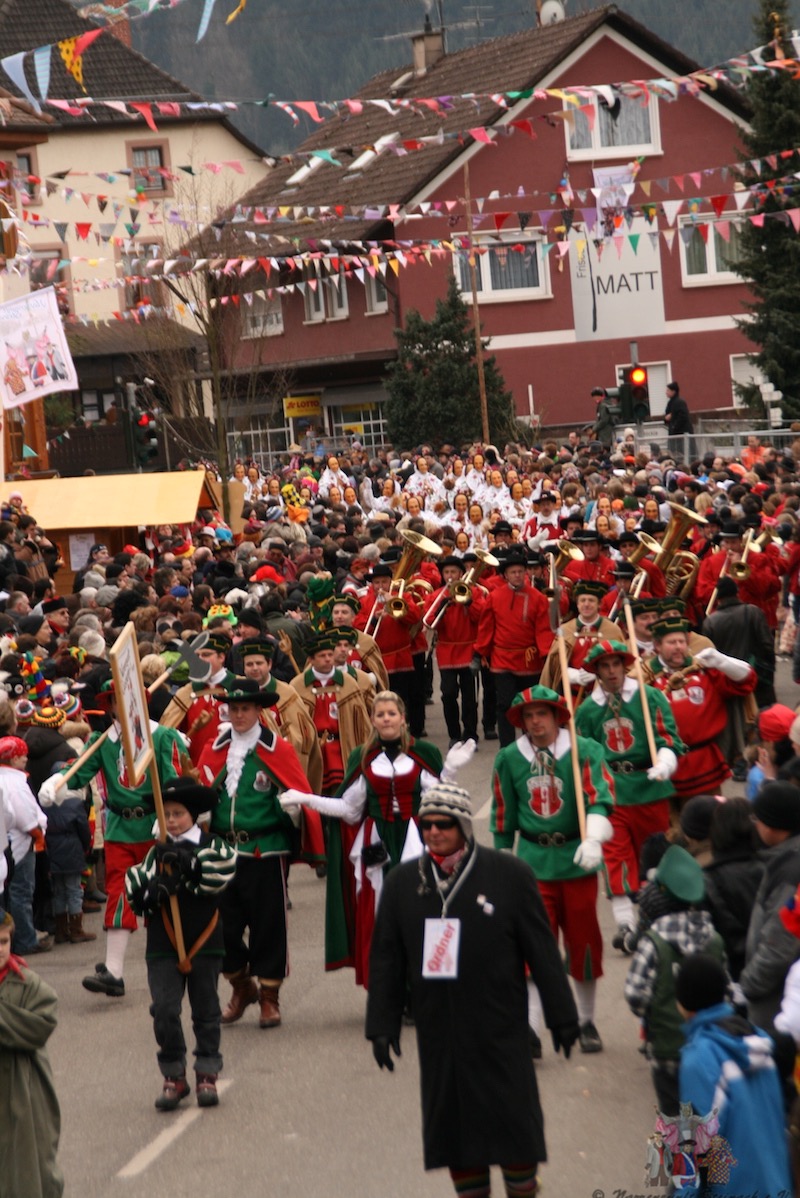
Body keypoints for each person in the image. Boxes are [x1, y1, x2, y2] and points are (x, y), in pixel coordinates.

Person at [365, 782, 579, 1198]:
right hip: (441, 1034)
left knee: (514, 1133)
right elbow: (387, 959)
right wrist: (382, 1025)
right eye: (427, 824)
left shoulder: (509, 875)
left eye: (443, 824)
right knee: (457, 1138)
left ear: (464, 825)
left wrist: (563, 1016)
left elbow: (542, 951)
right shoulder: (403, 883)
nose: (433, 832)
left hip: (500, 1030)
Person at [281, 691, 474, 987]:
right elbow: (349, 810)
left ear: (403, 718)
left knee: (423, 908)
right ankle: (389, 983)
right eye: (380, 714)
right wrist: (308, 799)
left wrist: (449, 770)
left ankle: (424, 982)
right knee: (381, 913)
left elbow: (438, 799)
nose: (386, 719)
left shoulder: (422, 752)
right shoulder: (363, 757)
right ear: (372, 720)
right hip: (377, 843)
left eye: (391, 713)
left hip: (416, 840)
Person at [38, 681, 184, 998]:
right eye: (116, 700)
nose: (123, 704)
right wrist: (57, 782)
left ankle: (178, 961)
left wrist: (171, 817)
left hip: (156, 827)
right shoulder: (102, 742)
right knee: (119, 895)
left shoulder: (162, 736)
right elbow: (78, 771)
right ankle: (114, 972)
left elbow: (177, 781)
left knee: (166, 894)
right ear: (110, 705)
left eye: (129, 697)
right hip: (120, 829)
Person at [491, 687, 614, 1055]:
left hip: (577, 862)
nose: (535, 722)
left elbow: (600, 799)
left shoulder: (584, 750)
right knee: (532, 946)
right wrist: (501, 864)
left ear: (557, 716)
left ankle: (586, 1021)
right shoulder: (509, 758)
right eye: (528, 716)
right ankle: (530, 1029)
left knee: (584, 943)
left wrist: (593, 838)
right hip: (532, 866)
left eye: (542, 714)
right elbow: (503, 816)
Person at [196, 677, 322, 1030]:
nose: (238, 715)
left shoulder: (277, 749)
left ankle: (269, 996)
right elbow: (202, 790)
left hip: (265, 849)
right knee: (220, 928)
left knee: (268, 926)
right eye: (234, 708)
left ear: (258, 711)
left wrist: (291, 809)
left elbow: (297, 792)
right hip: (223, 851)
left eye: (245, 709)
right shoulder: (215, 748)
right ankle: (241, 986)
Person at [125, 778, 237, 1111]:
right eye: (167, 814)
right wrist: (153, 890)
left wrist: (189, 866)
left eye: (178, 813)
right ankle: (174, 1075)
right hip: (164, 943)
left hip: (204, 941)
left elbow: (220, 874)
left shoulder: (213, 845)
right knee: (164, 1010)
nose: (172, 820)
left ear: (193, 814)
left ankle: (207, 1072)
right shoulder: (155, 851)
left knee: (206, 1010)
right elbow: (135, 887)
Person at [575, 640, 684, 950]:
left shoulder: (650, 697)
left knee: (655, 858)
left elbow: (669, 738)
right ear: (596, 672)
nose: (612, 672)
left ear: (625, 666)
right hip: (612, 792)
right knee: (616, 857)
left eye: (616, 664)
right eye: (604, 666)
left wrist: (665, 762)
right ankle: (626, 925)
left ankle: (657, 920)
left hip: (650, 786)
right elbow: (583, 756)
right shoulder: (587, 711)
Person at [678, 953, 791, 1198]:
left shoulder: (699, 1059)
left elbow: (698, 1147)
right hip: (776, 1184)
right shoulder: (758, 1042)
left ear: (684, 1003)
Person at [624, 845, 726, 1116]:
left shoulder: (653, 942)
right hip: (709, 1048)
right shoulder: (714, 940)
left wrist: (652, 1016)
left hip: (667, 1048)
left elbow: (635, 994)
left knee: (674, 1119)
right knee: (706, 1116)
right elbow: (726, 991)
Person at [646, 617, 756, 802]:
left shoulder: (704, 670)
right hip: (664, 765)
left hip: (704, 764)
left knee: (709, 815)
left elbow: (747, 682)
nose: (678, 647)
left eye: (682, 641)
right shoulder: (646, 677)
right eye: (672, 642)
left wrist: (722, 661)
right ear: (657, 646)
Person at [0, 911, 64, 1197]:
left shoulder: (28, 983)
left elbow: (41, 1024)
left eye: (4, 941)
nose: (0, 949)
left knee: (31, 1170)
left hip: (22, 1092)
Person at [473, 546, 554, 746]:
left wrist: (547, 656)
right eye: (513, 572)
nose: (517, 575)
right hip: (502, 660)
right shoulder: (494, 597)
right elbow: (486, 628)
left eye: (520, 571)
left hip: (529, 661)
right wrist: (479, 653)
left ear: (525, 572)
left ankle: (532, 744)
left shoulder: (538, 598)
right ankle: (507, 747)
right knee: (504, 704)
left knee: (529, 704)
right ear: (506, 575)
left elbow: (543, 630)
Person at [740, 781, 800, 1036]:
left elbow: (779, 946)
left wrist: (747, 986)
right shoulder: (785, 860)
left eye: (757, 818)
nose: (755, 825)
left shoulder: (791, 873)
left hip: (777, 1008)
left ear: (773, 825)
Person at [423, 555, 486, 746]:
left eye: (454, 572)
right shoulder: (437, 596)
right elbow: (429, 622)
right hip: (447, 651)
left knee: (470, 697)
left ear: (461, 574)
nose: (450, 576)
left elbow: (482, 616)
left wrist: (468, 602)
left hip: (469, 648)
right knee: (448, 694)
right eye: (447, 572)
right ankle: (454, 735)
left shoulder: (474, 592)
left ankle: (470, 734)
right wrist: (442, 607)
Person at [0, 734, 51, 955]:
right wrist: (38, 833)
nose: (26, 759)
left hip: (11, 844)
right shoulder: (15, 783)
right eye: (22, 756)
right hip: (21, 844)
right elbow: (23, 817)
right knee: (21, 893)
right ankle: (25, 940)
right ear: (13, 758)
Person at [663, 380, 693, 457]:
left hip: (681, 434)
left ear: (673, 391)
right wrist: (666, 419)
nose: (666, 392)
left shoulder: (679, 402)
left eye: (668, 390)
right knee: (674, 453)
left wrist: (674, 427)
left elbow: (683, 417)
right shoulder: (671, 403)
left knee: (682, 453)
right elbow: (667, 416)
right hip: (675, 435)